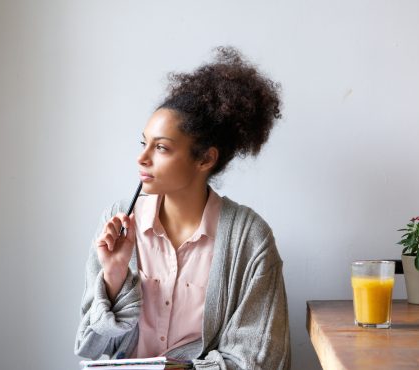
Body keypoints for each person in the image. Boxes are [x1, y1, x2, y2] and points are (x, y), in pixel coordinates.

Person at [74, 46, 291, 370]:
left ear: (205, 159)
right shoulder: (117, 224)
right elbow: (91, 346)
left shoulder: (250, 238)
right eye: (143, 143)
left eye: (161, 147)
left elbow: (260, 360)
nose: (142, 157)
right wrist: (115, 276)